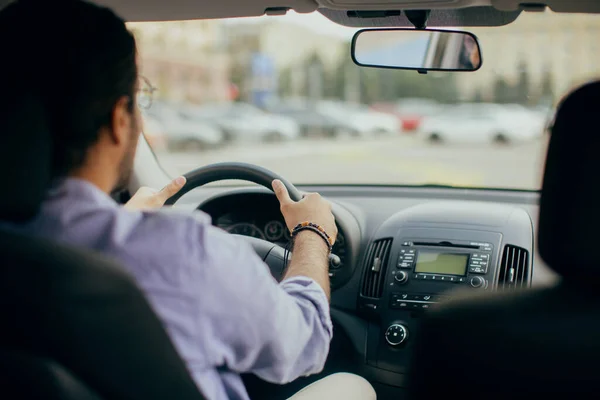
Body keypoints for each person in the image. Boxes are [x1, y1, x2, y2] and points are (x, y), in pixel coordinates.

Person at [0, 1, 376, 400]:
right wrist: (312, 233)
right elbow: (306, 344)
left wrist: (120, 223)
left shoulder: (28, 253)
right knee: (354, 386)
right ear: (119, 119)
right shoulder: (179, 251)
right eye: (139, 98)